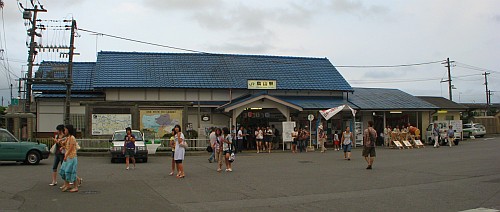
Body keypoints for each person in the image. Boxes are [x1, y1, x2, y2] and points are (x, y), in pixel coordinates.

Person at [59, 124, 79, 192]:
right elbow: (64, 145)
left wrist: (66, 156)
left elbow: (70, 149)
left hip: (72, 157)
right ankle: (67, 185)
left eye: (65, 129)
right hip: (67, 157)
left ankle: (75, 187)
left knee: (71, 172)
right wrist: (60, 141)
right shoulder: (68, 137)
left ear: (68, 130)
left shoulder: (72, 138)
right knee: (63, 171)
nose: (65, 130)